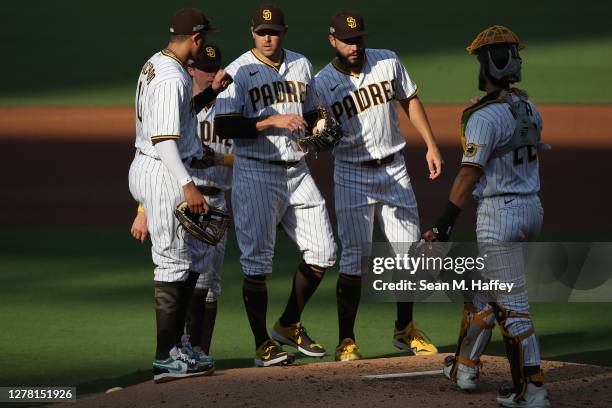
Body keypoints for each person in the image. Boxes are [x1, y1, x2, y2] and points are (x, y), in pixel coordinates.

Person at [422, 25, 550, 408]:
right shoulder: (529, 107)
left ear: (488, 63)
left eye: (481, 58)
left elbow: (468, 174)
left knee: (512, 308)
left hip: (500, 217)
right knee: (482, 291)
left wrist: (443, 223)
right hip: (531, 209)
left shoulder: (484, 116)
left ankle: (533, 389)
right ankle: (464, 366)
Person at [314, 11, 443, 361]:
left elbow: (410, 100)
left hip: (395, 167)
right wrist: (317, 136)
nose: (354, 46)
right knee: (355, 258)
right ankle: (346, 340)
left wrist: (431, 144)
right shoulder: (321, 83)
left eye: (358, 39)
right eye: (346, 40)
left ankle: (405, 329)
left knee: (409, 253)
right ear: (332, 41)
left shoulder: (387, 61)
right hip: (352, 173)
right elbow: (316, 133)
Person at [214, 3, 337, 367]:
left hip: (298, 170)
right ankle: (261, 344)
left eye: (274, 32)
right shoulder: (239, 70)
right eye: (261, 32)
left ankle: (287, 323)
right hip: (255, 172)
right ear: (252, 32)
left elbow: (313, 109)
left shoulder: (300, 64)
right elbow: (225, 125)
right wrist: (270, 122)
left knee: (324, 252)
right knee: (257, 263)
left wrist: (320, 124)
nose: (268, 38)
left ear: (284, 32)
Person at [128, 8, 231, 383]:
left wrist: (208, 97)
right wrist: (188, 185)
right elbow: (164, 139)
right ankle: (164, 356)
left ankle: (179, 344)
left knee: (196, 257)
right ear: (196, 39)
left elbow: (178, 117)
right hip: (163, 170)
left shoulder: (156, 63)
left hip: (158, 165)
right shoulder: (172, 77)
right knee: (172, 263)